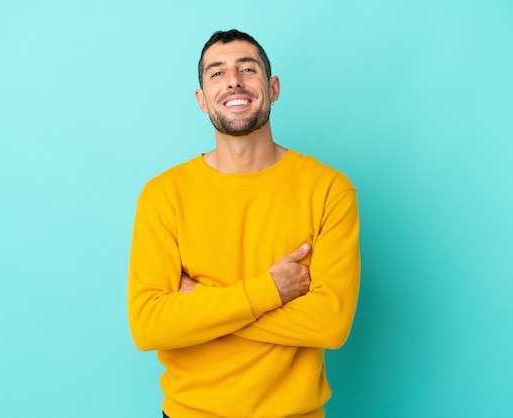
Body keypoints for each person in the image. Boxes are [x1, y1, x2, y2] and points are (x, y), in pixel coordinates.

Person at [127, 29, 360, 418]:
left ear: (273, 87)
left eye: (247, 69)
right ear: (202, 100)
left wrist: (200, 304)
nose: (233, 79)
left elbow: (330, 324)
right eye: (216, 73)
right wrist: (271, 290)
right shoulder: (163, 195)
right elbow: (149, 326)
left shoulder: (329, 190)